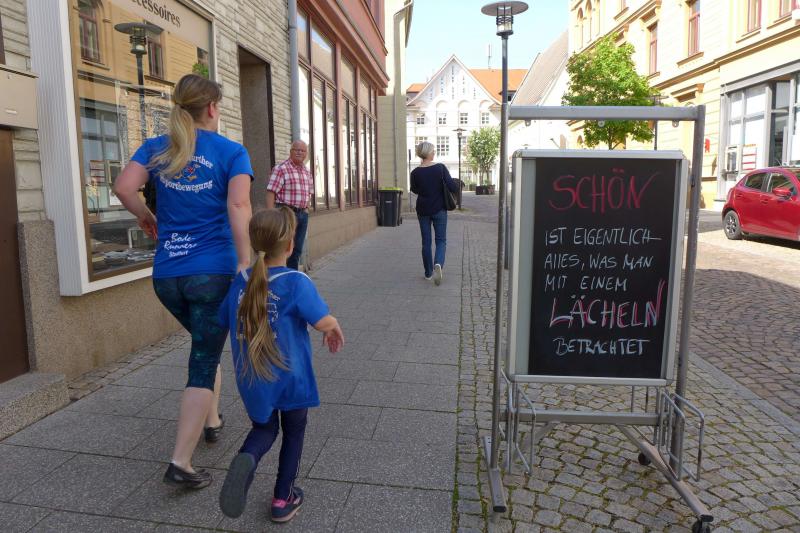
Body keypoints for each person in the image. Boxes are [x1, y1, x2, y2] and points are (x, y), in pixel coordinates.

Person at [114, 74, 253, 489]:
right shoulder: (231, 151)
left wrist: (146, 217)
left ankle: (211, 420)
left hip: (167, 276)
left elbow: (123, 188)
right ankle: (181, 462)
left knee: (205, 344)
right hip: (212, 272)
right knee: (204, 359)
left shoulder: (156, 147)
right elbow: (240, 205)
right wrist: (245, 263)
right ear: (212, 107)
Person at [217, 207, 344, 523]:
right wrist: (333, 326)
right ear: (289, 246)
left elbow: (222, 319)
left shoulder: (240, 281)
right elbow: (321, 320)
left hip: (252, 378)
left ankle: (247, 457)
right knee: (294, 431)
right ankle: (282, 497)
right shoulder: (296, 281)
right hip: (291, 378)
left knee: (264, 429)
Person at [410, 141, 460, 285]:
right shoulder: (440, 168)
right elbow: (452, 187)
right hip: (439, 209)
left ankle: (428, 273)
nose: (434, 153)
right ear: (428, 153)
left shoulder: (415, 172)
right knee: (441, 240)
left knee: (426, 242)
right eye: (433, 151)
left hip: (423, 210)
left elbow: (414, 190)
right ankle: (438, 263)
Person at [266, 141, 313, 270]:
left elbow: (309, 192)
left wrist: (306, 209)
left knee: (297, 250)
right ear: (291, 151)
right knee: (282, 249)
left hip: (302, 214)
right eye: (296, 150)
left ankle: (291, 276)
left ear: (306, 154)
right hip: (286, 213)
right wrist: (270, 215)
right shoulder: (281, 169)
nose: (299, 152)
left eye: (302, 150)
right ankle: (279, 274)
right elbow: (271, 192)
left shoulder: (307, 171)